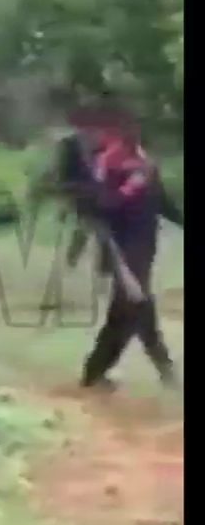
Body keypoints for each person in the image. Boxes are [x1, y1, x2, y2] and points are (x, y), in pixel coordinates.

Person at [78, 111, 183, 390]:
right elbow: (99, 206)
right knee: (137, 307)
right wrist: (128, 188)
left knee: (127, 313)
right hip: (122, 250)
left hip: (144, 248)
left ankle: (94, 374)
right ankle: (166, 371)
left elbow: (164, 204)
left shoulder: (145, 165)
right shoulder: (106, 165)